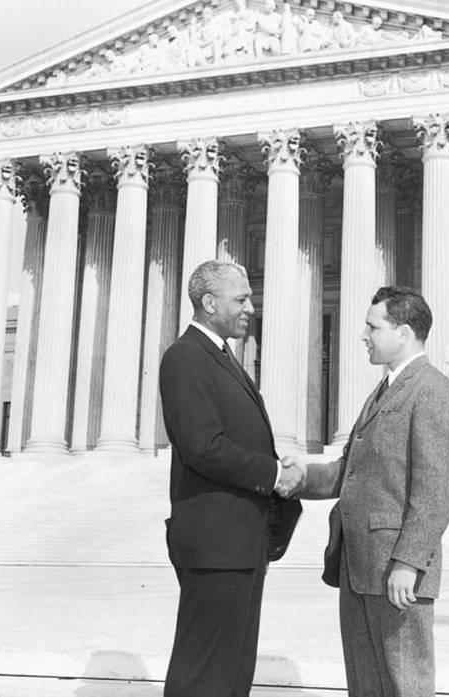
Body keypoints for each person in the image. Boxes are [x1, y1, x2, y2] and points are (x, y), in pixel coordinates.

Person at [279, 286, 449, 697]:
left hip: (396, 570)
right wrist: (298, 478)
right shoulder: (382, 391)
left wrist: (409, 562)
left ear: (403, 332)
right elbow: (350, 471)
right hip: (359, 565)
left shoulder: (432, 390)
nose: (363, 335)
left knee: (405, 683)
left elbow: (436, 488)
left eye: (372, 326)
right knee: (365, 684)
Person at [160, 260, 303, 697]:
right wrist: (275, 473)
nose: (250, 306)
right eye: (240, 299)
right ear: (208, 303)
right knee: (203, 675)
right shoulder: (186, 357)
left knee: (231, 675)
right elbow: (203, 446)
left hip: (239, 544)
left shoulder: (222, 357)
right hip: (215, 546)